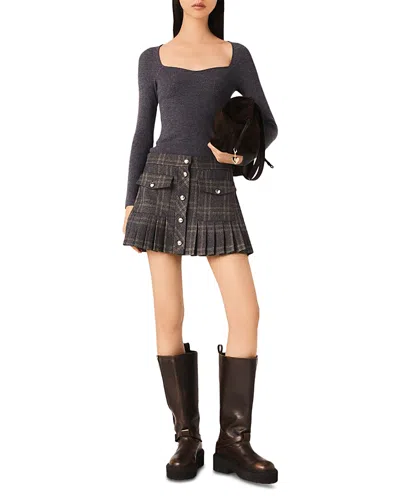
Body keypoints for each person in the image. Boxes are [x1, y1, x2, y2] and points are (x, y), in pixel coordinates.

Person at [122, 0, 278, 484]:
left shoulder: (235, 55)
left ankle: (234, 443)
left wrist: (237, 157)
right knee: (169, 315)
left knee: (246, 313)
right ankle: (186, 439)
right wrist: (129, 203)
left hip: (215, 186)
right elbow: (143, 132)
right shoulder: (151, 58)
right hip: (159, 185)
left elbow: (268, 124)